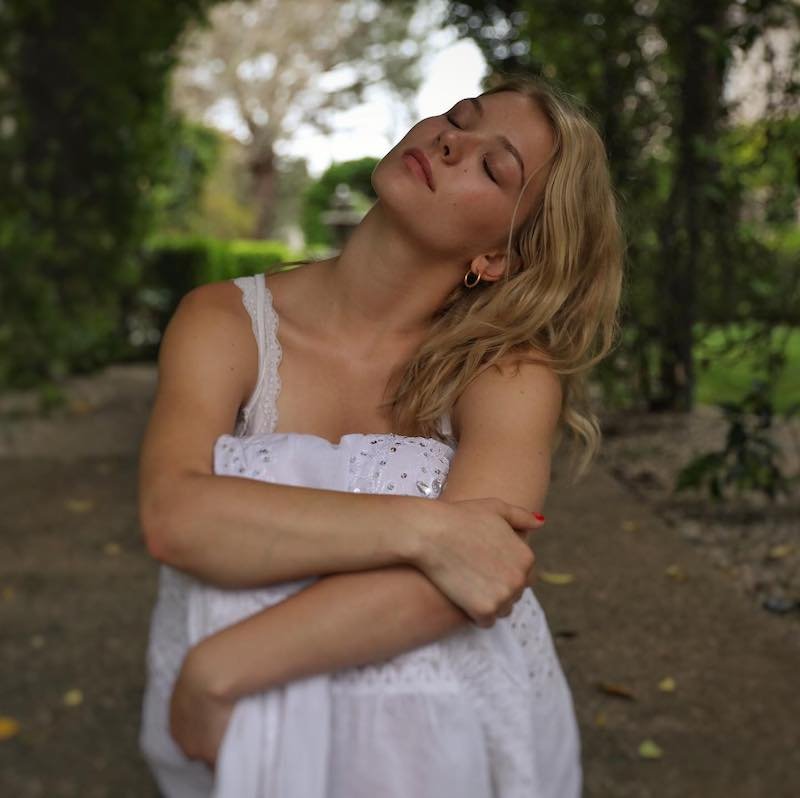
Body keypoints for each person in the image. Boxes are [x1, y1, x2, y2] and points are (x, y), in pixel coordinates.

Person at [137, 74, 623, 798]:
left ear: (498, 259)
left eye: (494, 167)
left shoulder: (507, 371)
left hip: (444, 732)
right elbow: (177, 517)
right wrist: (429, 533)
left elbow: (478, 580)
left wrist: (218, 671)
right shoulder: (222, 322)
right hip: (245, 740)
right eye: (460, 117)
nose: (454, 141)